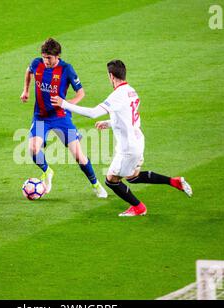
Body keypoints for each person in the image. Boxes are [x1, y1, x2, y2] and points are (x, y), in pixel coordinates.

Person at [51, 60, 192, 216]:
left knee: (111, 180)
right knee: (133, 176)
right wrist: (109, 123)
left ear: (111, 76)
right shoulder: (132, 91)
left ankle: (139, 207)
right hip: (138, 140)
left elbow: (92, 112)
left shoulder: (117, 95)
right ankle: (174, 181)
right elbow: (131, 118)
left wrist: (64, 104)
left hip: (128, 147)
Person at [20, 38, 107, 198]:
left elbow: (81, 93)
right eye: (44, 57)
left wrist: (66, 104)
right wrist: (25, 90)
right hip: (41, 118)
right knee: (33, 148)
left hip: (61, 118)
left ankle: (96, 184)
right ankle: (47, 171)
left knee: (79, 156)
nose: (46, 61)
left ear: (57, 56)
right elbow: (28, 71)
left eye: (50, 58)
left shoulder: (66, 69)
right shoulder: (36, 63)